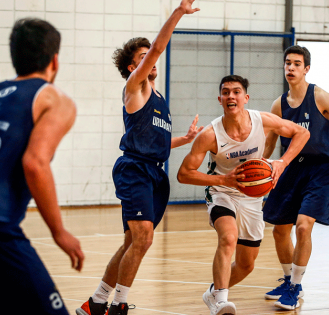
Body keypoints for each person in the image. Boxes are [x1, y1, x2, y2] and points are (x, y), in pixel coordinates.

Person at [75, 1, 202, 315]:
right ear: (133, 67)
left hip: (155, 172)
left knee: (133, 242)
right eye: (143, 57)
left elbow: (154, 140)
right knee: (143, 239)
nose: (151, 59)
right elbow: (159, 46)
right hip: (135, 169)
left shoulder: (158, 98)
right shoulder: (135, 86)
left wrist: (184, 139)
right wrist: (178, 13)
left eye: (150, 56)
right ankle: (118, 306)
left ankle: (96, 303)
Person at [0, 18, 84, 315]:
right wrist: (58, 231)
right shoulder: (53, 98)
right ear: (55, 61)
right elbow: (35, 163)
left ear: (14, 58)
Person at [177, 75, 310, 315]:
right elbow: (184, 174)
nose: (231, 96)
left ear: (245, 98)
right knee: (228, 237)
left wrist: (281, 163)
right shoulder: (210, 135)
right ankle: (220, 301)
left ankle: (214, 292)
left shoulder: (262, 120)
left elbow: (302, 133)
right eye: (226, 92)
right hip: (222, 191)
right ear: (220, 100)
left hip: (251, 196)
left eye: (236, 92)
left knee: (247, 264)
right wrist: (223, 180)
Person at [262, 45, 329, 310]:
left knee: (303, 225)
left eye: (296, 64)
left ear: (306, 68)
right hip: (290, 168)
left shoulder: (320, 96)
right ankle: (288, 279)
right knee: (279, 231)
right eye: (287, 63)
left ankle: (296, 286)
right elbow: (269, 143)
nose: (290, 68)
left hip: (320, 169)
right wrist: (261, 168)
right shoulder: (279, 104)